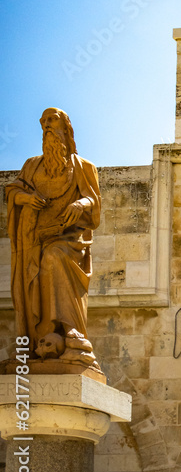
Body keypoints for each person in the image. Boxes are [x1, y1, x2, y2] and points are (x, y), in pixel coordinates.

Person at [5, 108, 101, 365]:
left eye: (52, 120)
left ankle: (71, 330)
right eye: (43, 121)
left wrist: (80, 204)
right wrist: (27, 198)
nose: (47, 125)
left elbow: (94, 201)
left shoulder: (83, 167)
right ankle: (35, 341)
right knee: (33, 274)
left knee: (53, 257)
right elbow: (12, 192)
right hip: (32, 240)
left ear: (66, 128)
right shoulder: (32, 166)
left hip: (67, 240)